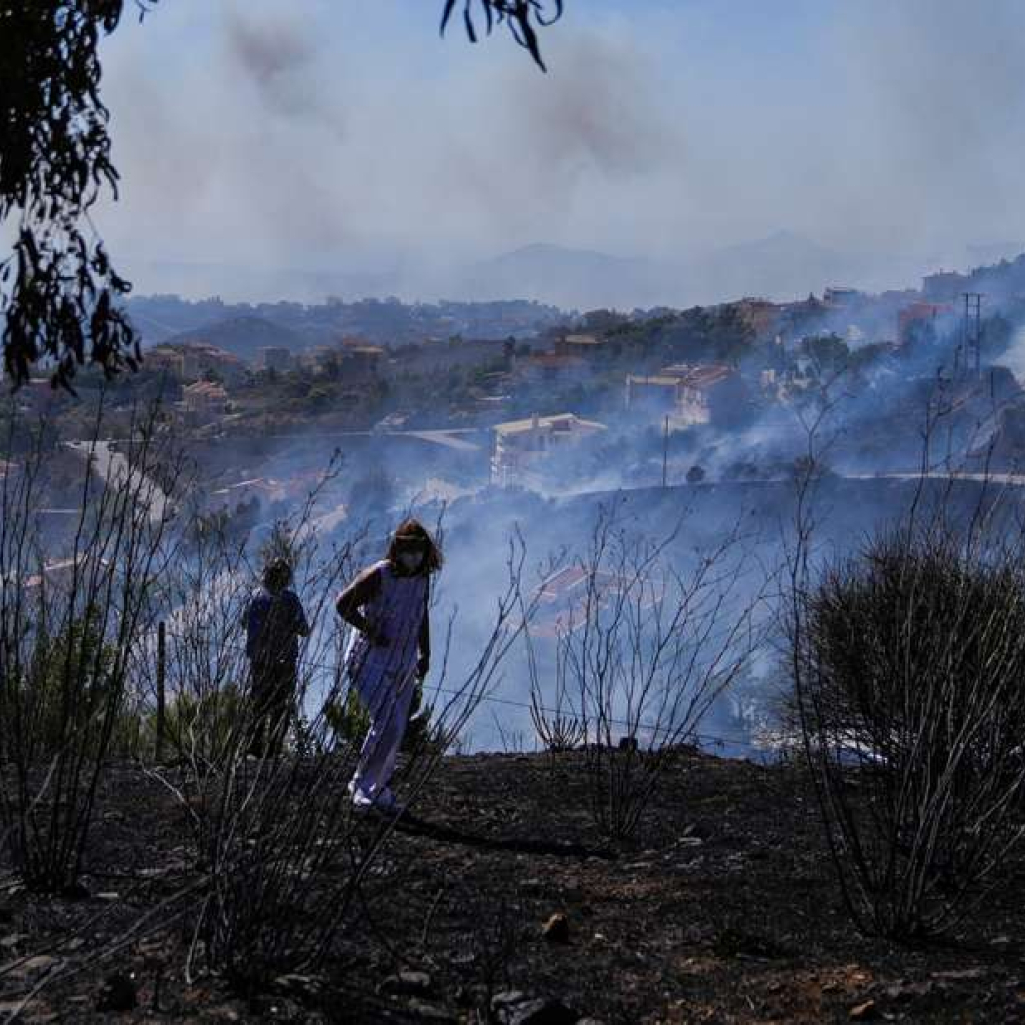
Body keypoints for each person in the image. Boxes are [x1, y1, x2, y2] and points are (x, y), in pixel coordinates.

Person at [336, 519, 441, 812]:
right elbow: (343, 604)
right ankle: (360, 786)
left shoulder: (422, 578)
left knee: (395, 727)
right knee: (388, 722)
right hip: (369, 658)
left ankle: (377, 787)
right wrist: (369, 629)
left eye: (418, 550)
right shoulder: (379, 575)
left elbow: (421, 614)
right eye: (408, 549)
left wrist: (426, 653)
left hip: (404, 660)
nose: (414, 556)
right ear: (397, 548)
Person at [245, 558, 310, 758]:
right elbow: (304, 629)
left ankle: (253, 749)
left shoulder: (255, 598)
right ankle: (273, 751)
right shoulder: (290, 600)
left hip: (259, 662)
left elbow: (243, 622)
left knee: (258, 705)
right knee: (280, 707)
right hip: (285, 662)